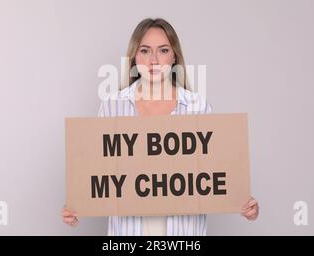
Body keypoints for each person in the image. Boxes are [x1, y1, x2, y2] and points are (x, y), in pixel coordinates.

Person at [62, 18, 259, 235]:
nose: (153, 60)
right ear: (134, 57)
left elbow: (215, 173)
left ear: (174, 55)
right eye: (145, 51)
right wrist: (78, 204)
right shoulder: (112, 106)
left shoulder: (197, 107)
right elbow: (99, 172)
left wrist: (243, 202)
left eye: (163, 50)